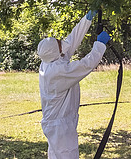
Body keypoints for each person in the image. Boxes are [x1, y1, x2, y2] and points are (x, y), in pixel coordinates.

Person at [37, 11, 111, 159]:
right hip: (60, 128)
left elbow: (72, 40)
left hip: (57, 123)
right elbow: (86, 65)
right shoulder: (58, 72)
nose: (61, 43)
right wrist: (100, 45)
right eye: (58, 43)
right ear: (55, 51)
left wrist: (87, 19)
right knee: (67, 155)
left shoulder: (50, 61)